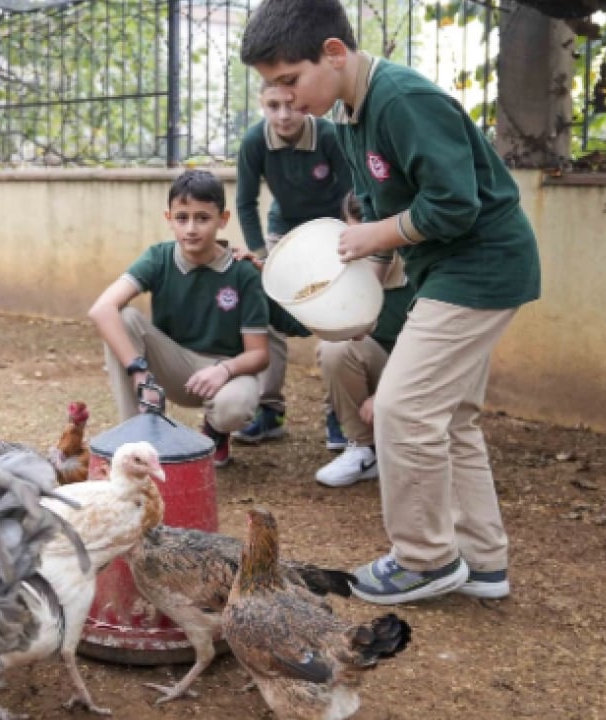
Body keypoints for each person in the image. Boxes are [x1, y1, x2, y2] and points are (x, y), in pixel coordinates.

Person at [240, 0, 541, 605]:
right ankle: (483, 562)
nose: (288, 102)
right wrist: (359, 276)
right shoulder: (352, 117)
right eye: (273, 90)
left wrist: (374, 238)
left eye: (291, 82)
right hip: (447, 269)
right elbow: (380, 212)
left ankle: (424, 559)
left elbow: (455, 205)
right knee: (450, 416)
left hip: (480, 268)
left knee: (403, 409)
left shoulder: (400, 99)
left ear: (333, 53)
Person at [88, 169, 270, 468]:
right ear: (169, 219)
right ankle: (137, 439)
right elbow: (101, 309)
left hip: (226, 371)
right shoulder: (159, 257)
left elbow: (259, 354)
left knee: (233, 408)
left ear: (222, 220)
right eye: (182, 218)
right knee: (123, 317)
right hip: (173, 366)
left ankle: (215, 430)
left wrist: (223, 370)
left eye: (202, 218)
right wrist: (139, 372)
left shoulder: (242, 271)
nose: (191, 228)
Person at [232, 79, 353, 446]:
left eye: (292, 104)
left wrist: (347, 242)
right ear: (261, 104)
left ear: (305, 102)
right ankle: (270, 411)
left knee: (338, 319)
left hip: (332, 230)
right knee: (266, 313)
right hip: (283, 231)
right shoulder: (255, 142)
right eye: (273, 106)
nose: (283, 115)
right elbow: (244, 203)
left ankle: (340, 414)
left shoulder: (329, 135)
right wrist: (262, 254)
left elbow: (352, 191)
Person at [313, 191, 415, 488]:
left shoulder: (419, 268)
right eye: (352, 228)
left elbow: (429, 348)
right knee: (335, 347)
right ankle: (364, 448)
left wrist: (385, 394)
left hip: (419, 373)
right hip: (379, 366)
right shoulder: (345, 264)